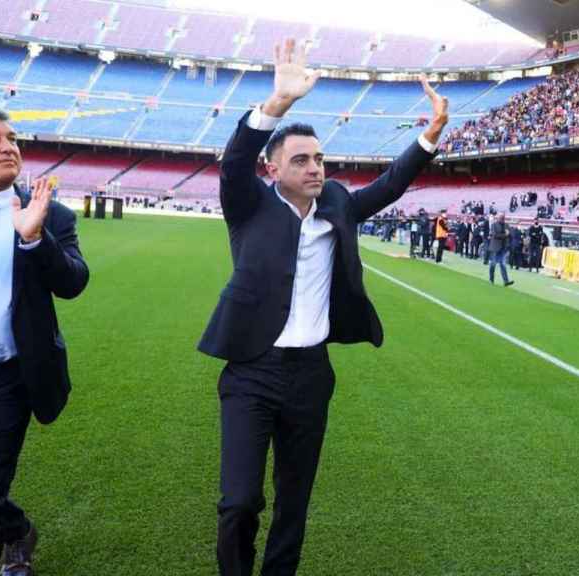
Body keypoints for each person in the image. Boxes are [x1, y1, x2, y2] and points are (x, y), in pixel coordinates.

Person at [196, 39, 449, 576]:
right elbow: (235, 161)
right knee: (238, 501)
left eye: (320, 158)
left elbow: (389, 186)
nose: (315, 168)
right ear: (273, 170)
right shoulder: (248, 204)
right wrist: (277, 104)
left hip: (311, 375)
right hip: (250, 373)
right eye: (302, 160)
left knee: (294, 501)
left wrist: (429, 136)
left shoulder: (336, 203)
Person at [0, 108, 90, 576]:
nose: (9, 146)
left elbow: (73, 281)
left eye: (12, 138)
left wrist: (35, 239)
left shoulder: (49, 212)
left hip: (4, 381)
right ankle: (17, 527)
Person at [487, 213, 515, 287]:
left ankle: (506, 281)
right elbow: (495, 235)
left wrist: (508, 235)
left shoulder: (506, 225)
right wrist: (505, 235)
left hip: (503, 248)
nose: (502, 219)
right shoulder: (494, 225)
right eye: (501, 217)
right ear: (498, 218)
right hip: (495, 248)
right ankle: (491, 279)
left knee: (503, 265)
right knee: (493, 264)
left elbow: (510, 234)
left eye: (503, 217)